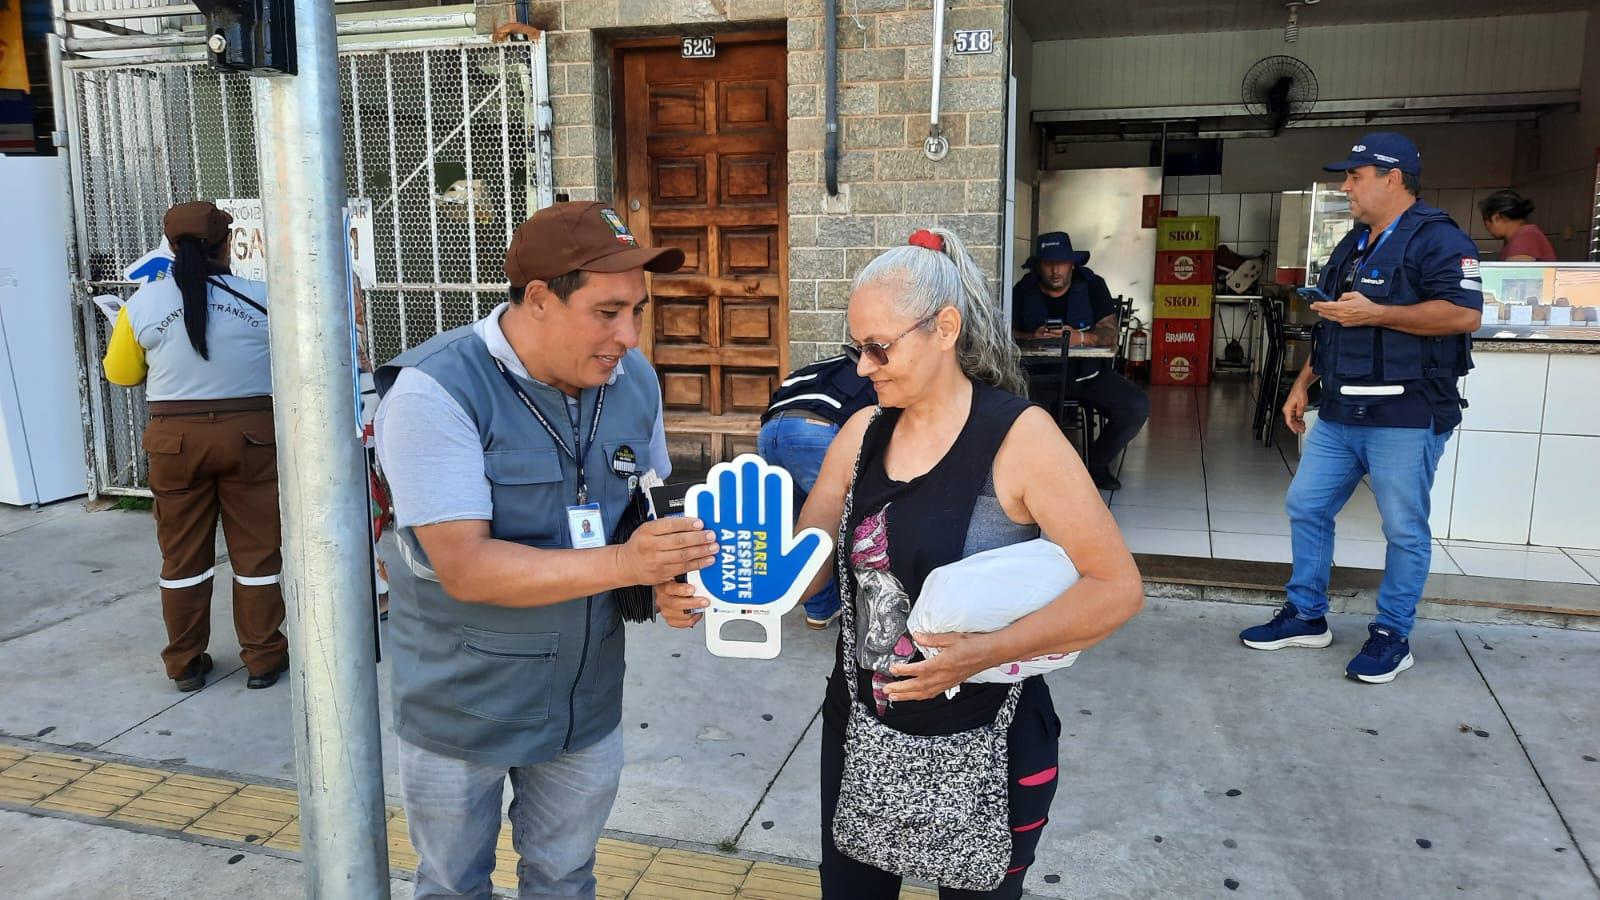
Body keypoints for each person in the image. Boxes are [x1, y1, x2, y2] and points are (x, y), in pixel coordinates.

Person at [659, 228, 1144, 899]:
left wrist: (979, 655)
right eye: (857, 346)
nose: (861, 367)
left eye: (879, 347)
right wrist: (724, 583)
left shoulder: (1021, 438)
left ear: (945, 328)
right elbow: (809, 567)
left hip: (986, 740)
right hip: (862, 728)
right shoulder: (860, 434)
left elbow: (1116, 589)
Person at [373, 201, 719, 899]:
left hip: (584, 701)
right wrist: (629, 564)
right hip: (463, 705)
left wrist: (662, 583)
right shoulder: (435, 393)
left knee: (565, 877)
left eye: (638, 313)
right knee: (452, 884)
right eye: (607, 312)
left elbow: (634, 513)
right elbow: (465, 568)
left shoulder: (634, 381)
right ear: (538, 299)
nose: (628, 335)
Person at [1241, 133, 1483, 684]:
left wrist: (1378, 315)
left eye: (1355, 176)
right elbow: (1334, 320)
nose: (1345, 185)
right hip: (1341, 410)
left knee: (1402, 528)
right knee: (1306, 505)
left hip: (1406, 411)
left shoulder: (1439, 240)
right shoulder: (1354, 242)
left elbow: (1464, 316)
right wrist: (1303, 381)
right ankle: (1305, 615)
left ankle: (1392, 635)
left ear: (1392, 179)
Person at [102, 200, 288, 692]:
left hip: (175, 442)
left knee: (182, 557)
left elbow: (121, 375)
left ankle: (184, 662)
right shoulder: (263, 298)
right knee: (257, 553)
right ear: (227, 245)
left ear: (170, 246)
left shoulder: (142, 305)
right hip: (252, 437)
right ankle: (264, 657)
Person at [1011, 231, 1149, 491]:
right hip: (1040, 377)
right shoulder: (1023, 290)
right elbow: (1005, 331)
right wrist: (1033, 337)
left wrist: (1081, 338)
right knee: (1020, 414)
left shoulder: (1093, 286)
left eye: (1061, 262)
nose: (1055, 270)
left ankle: (1097, 464)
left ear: (1072, 263)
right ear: (1038, 266)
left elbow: (1110, 334)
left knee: (1135, 406)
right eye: (1048, 263)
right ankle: (1039, 473)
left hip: (1090, 375)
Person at [757, 354, 877, 628]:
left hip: (770, 432)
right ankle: (870, 611)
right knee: (850, 524)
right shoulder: (875, 366)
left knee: (807, 527)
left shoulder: (820, 366)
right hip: (818, 431)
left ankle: (820, 610)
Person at [1479, 189, 1556, 262]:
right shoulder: (1524, 235)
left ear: (1496, 218)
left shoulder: (1526, 237)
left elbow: (1516, 274)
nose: (1486, 228)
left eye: (1485, 222)